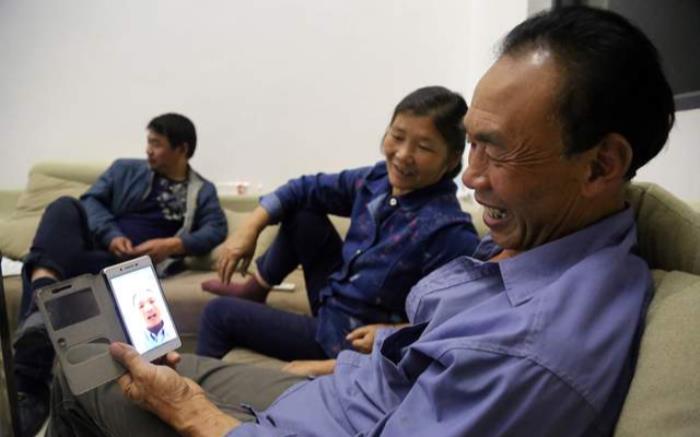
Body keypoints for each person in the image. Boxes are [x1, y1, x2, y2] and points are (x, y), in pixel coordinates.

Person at [47, 6, 676, 436]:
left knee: (78, 378)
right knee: (104, 358)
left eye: (496, 150)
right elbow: (306, 192)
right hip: (343, 388)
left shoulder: (532, 351)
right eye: (473, 144)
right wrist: (253, 229)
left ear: (601, 166)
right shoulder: (527, 239)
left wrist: (196, 414)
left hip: (323, 399)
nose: (471, 177)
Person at [197, 86, 480, 367]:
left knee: (217, 314)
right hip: (332, 300)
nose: (403, 154)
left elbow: (457, 324)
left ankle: (193, 388)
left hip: (346, 338)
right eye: (397, 136)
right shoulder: (376, 180)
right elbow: (302, 188)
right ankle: (255, 289)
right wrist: (249, 228)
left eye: (424, 147)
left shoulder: (449, 232)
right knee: (303, 211)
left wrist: (391, 335)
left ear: (452, 159)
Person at [13, 113, 228, 437]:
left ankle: (29, 387)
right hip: (94, 246)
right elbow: (91, 202)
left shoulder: (201, 191)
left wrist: (172, 245)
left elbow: (216, 228)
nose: (148, 150)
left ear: (182, 149)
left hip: (128, 266)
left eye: (157, 144)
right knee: (64, 205)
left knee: (54, 265)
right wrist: (111, 234)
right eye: (148, 142)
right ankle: (41, 298)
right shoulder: (124, 169)